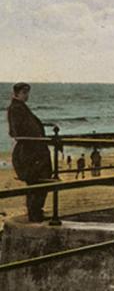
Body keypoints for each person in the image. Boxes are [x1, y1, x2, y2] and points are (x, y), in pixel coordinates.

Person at [7, 82, 53, 222]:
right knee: (37, 180)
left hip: (34, 149)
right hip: (29, 150)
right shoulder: (16, 108)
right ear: (17, 93)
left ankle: (36, 212)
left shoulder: (20, 107)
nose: (27, 96)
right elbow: (16, 131)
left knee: (39, 181)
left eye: (27, 93)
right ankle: (34, 213)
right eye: (24, 93)